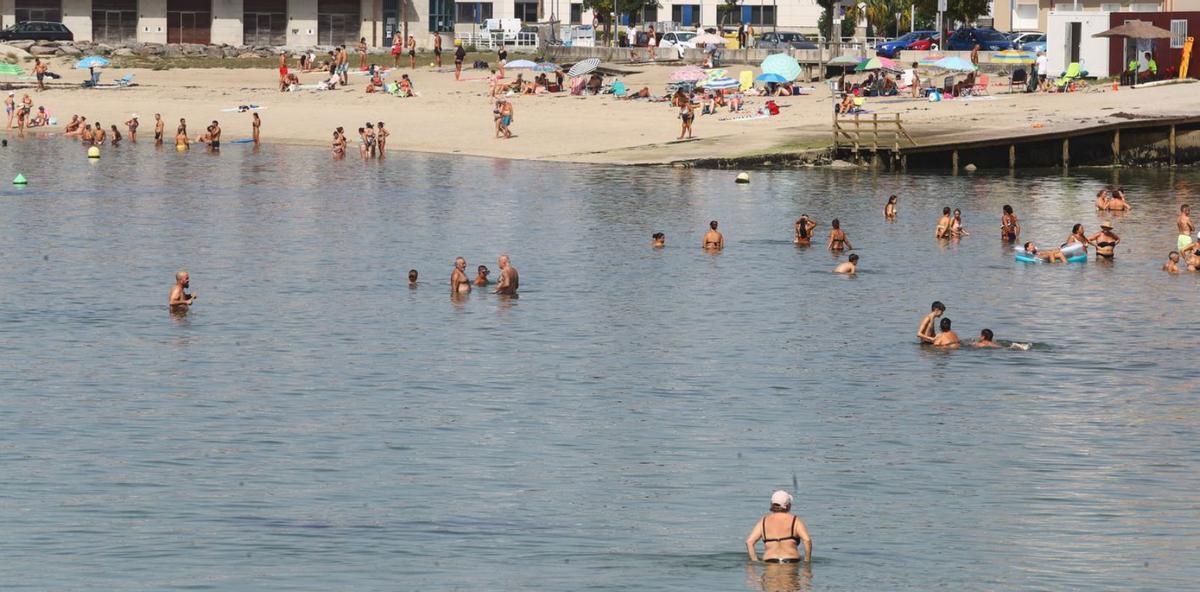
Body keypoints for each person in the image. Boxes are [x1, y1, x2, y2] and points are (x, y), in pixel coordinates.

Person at [744, 490, 812, 564]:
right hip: (791, 562)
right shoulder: (795, 521)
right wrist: (807, 562)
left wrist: (755, 560)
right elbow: (807, 540)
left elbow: (749, 542)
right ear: (788, 506)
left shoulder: (763, 521)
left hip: (770, 562)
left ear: (772, 505)